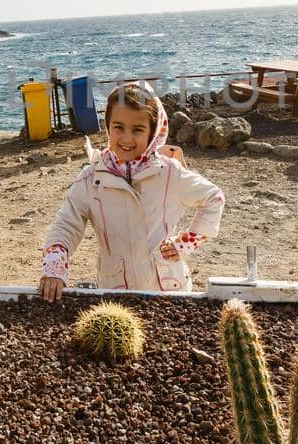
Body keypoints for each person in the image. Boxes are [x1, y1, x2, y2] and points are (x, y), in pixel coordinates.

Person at [38, 81, 224, 301]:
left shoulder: (170, 174)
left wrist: (185, 242)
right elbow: (67, 224)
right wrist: (54, 267)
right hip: (115, 292)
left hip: (168, 292)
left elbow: (214, 198)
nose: (126, 138)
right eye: (118, 127)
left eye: (137, 129)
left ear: (153, 131)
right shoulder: (91, 178)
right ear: (108, 126)